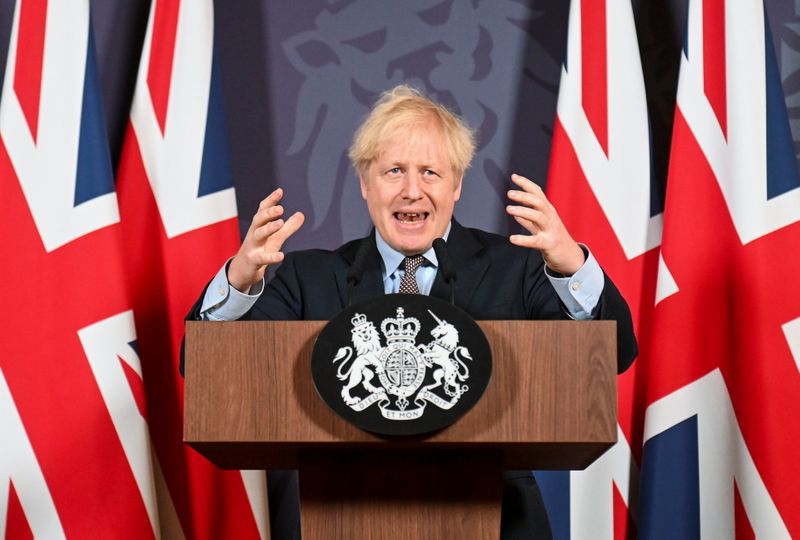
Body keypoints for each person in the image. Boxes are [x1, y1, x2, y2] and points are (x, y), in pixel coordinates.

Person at [188, 85, 637, 539]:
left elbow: (612, 354)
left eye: (430, 172)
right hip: (334, 514)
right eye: (394, 171)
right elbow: (205, 370)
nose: (411, 191)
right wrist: (239, 281)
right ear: (365, 184)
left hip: (498, 521)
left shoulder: (517, 268)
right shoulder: (306, 278)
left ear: (457, 185)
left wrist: (571, 268)